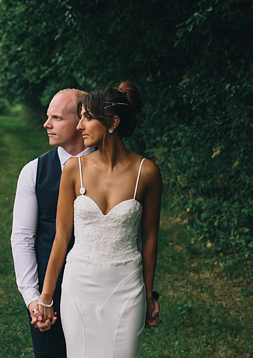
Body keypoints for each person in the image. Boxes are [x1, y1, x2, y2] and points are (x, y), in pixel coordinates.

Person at [37, 82, 162, 357]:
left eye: (88, 118)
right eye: (80, 117)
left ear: (113, 123)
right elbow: (61, 237)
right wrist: (45, 297)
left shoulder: (147, 172)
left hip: (127, 287)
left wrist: (150, 294)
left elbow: (150, 238)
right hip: (78, 287)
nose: (80, 125)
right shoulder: (73, 169)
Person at [11, 88, 95, 358]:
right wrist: (32, 298)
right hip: (50, 294)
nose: (46, 124)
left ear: (80, 121)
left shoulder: (111, 169)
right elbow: (22, 238)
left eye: (56, 118)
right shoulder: (33, 172)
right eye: (48, 116)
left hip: (98, 289)